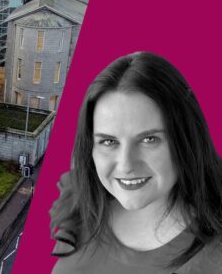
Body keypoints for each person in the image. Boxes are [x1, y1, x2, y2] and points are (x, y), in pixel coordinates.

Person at [50, 52, 222, 274]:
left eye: (149, 139)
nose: (125, 165)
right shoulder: (77, 208)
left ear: (186, 138)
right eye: (109, 141)